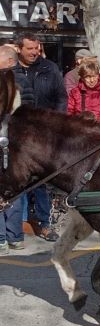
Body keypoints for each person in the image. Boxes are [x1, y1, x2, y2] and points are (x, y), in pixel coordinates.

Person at [13, 33, 65, 241]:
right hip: (17, 133)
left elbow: (61, 98)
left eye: (37, 48)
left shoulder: (50, 68)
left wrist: (56, 123)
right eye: (29, 48)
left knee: (42, 180)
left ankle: (44, 223)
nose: (35, 52)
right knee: (19, 179)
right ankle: (20, 224)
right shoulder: (9, 70)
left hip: (44, 133)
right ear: (18, 49)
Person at [0, 45, 33, 253]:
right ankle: (14, 236)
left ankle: (2, 238)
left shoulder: (10, 81)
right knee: (14, 190)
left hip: (8, 139)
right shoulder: (22, 81)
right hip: (16, 142)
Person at [67, 57, 100, 122]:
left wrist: (99, 121)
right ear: (82, 77)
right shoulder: (75, 92)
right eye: (88, 77)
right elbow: (69, 113)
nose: (92, 80)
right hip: (80, 127)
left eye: (94, 76)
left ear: (98, 75)